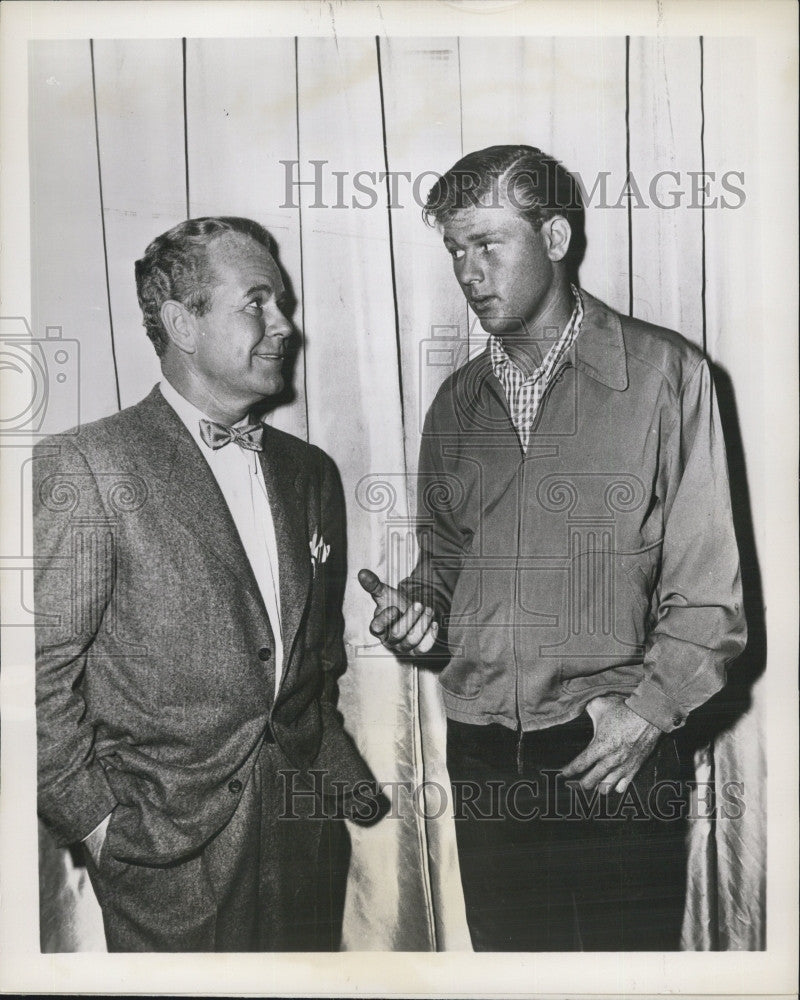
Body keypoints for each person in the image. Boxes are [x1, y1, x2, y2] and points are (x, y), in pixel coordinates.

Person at [360, 145, 746, 951]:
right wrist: (419, 610)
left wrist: (646, 717)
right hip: (484, 752)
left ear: (558, 238)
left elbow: (710, 594)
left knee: (622, 975)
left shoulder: (666, 375)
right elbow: (445, 564)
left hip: (612, 748)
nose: (468, 272)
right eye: (455, 249)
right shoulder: (456, 403)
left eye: (488, 244)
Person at [35, 216, 379, 952]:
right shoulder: (89, 466)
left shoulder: (311, 472)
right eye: (257, 302)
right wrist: (99, 826)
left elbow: (313, 661)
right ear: (181, 324)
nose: (284, 325)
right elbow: (35, 677)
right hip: (165, 860)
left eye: (281, 302)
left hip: (303, 836)